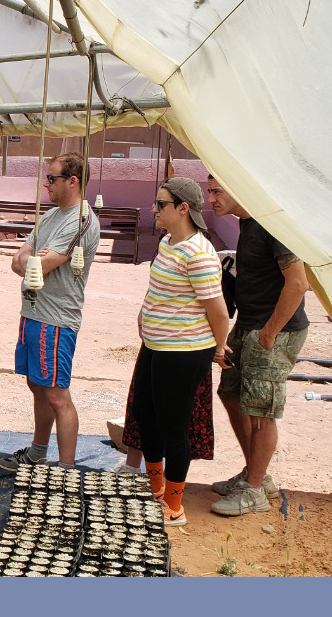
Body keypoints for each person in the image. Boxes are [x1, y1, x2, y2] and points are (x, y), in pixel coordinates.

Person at [127, 177, 228, 526]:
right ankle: (155, 487)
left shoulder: (199, 254)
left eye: (161, 204)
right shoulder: (168, 242)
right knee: (144, 411)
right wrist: (146, 311)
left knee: (173, 425)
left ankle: (174, 505)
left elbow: (217, 309)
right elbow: (159, 287)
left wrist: (219, 347)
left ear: (183, 208)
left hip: (184, 350)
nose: (154, 210)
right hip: (155, 344)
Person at [208, 176, 310, 516]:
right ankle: (256, 473)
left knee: (261, 409)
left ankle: (253, 491)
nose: (211, 199)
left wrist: (269, 333)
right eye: (209, 191)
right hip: (249, 325)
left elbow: (298, 284)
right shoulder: (247, 225)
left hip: (275, 330)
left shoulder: (273, 226)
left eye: (217, 191)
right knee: (230, 393)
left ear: (240, 189)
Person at [0, 152, 100, 470]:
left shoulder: (80, 220)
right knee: (38, 387)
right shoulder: (52, 216)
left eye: (52, 178)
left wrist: (32, 260)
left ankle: (66, 469)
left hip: (56, 318)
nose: (46, 184)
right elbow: (20, 260)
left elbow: (40, 264)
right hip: (33, 312)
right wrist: (31, 260)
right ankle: (39, 452)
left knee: (57, 394)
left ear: (73, 181)